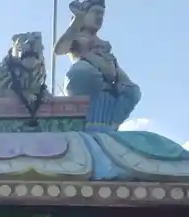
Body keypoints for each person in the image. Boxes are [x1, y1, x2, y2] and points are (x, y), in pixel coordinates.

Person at [54, 0, 140, 128]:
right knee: (82, 71)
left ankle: (110, 124)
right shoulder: (76, 36)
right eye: (96, 12)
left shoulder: (103, 44)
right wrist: (77, 21)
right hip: (87, 82)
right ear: (85, 14)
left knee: (133, 90)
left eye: (102, 14)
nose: (100, 17)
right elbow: (59, 49)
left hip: (108, 84)